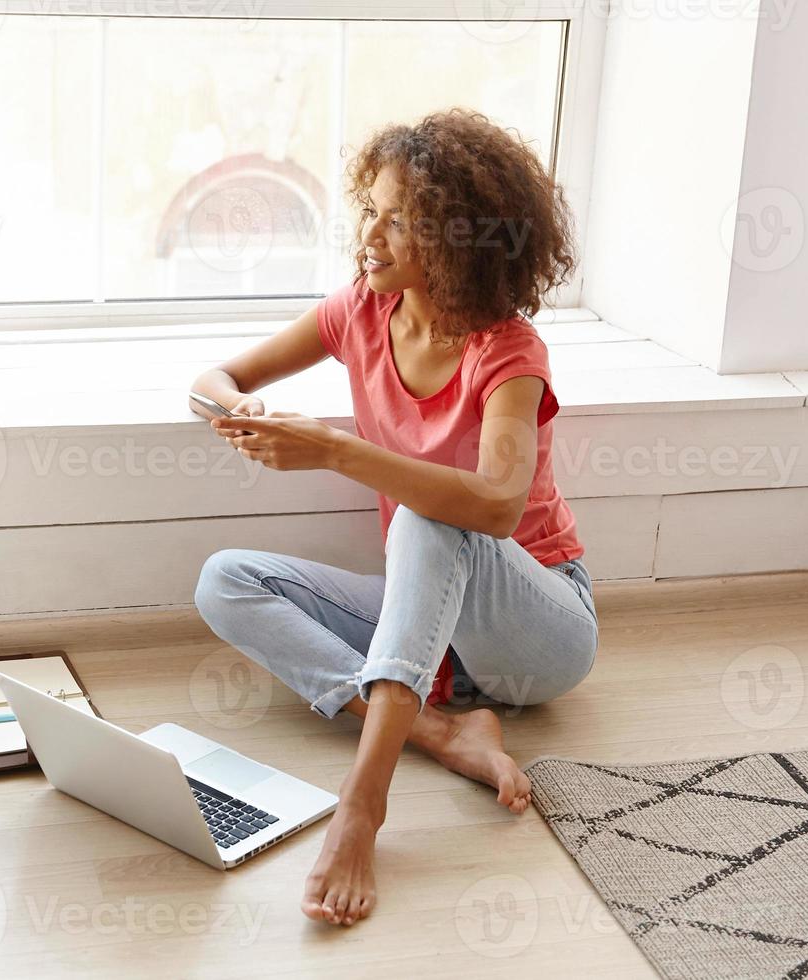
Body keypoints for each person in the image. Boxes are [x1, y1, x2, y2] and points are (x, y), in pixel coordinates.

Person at [189, 108, 598, 928]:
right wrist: (235, 406)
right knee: (226, 581)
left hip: (537, 630)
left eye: (399, 220)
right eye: (369, 209)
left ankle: (363, 802)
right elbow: (213, 378)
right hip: (432, 632)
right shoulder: (360, 313)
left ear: (461, 240)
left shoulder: (509, 354)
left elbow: (495, 505)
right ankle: (444, 735)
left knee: (428, 516)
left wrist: (335, 451)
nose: (370, 235)